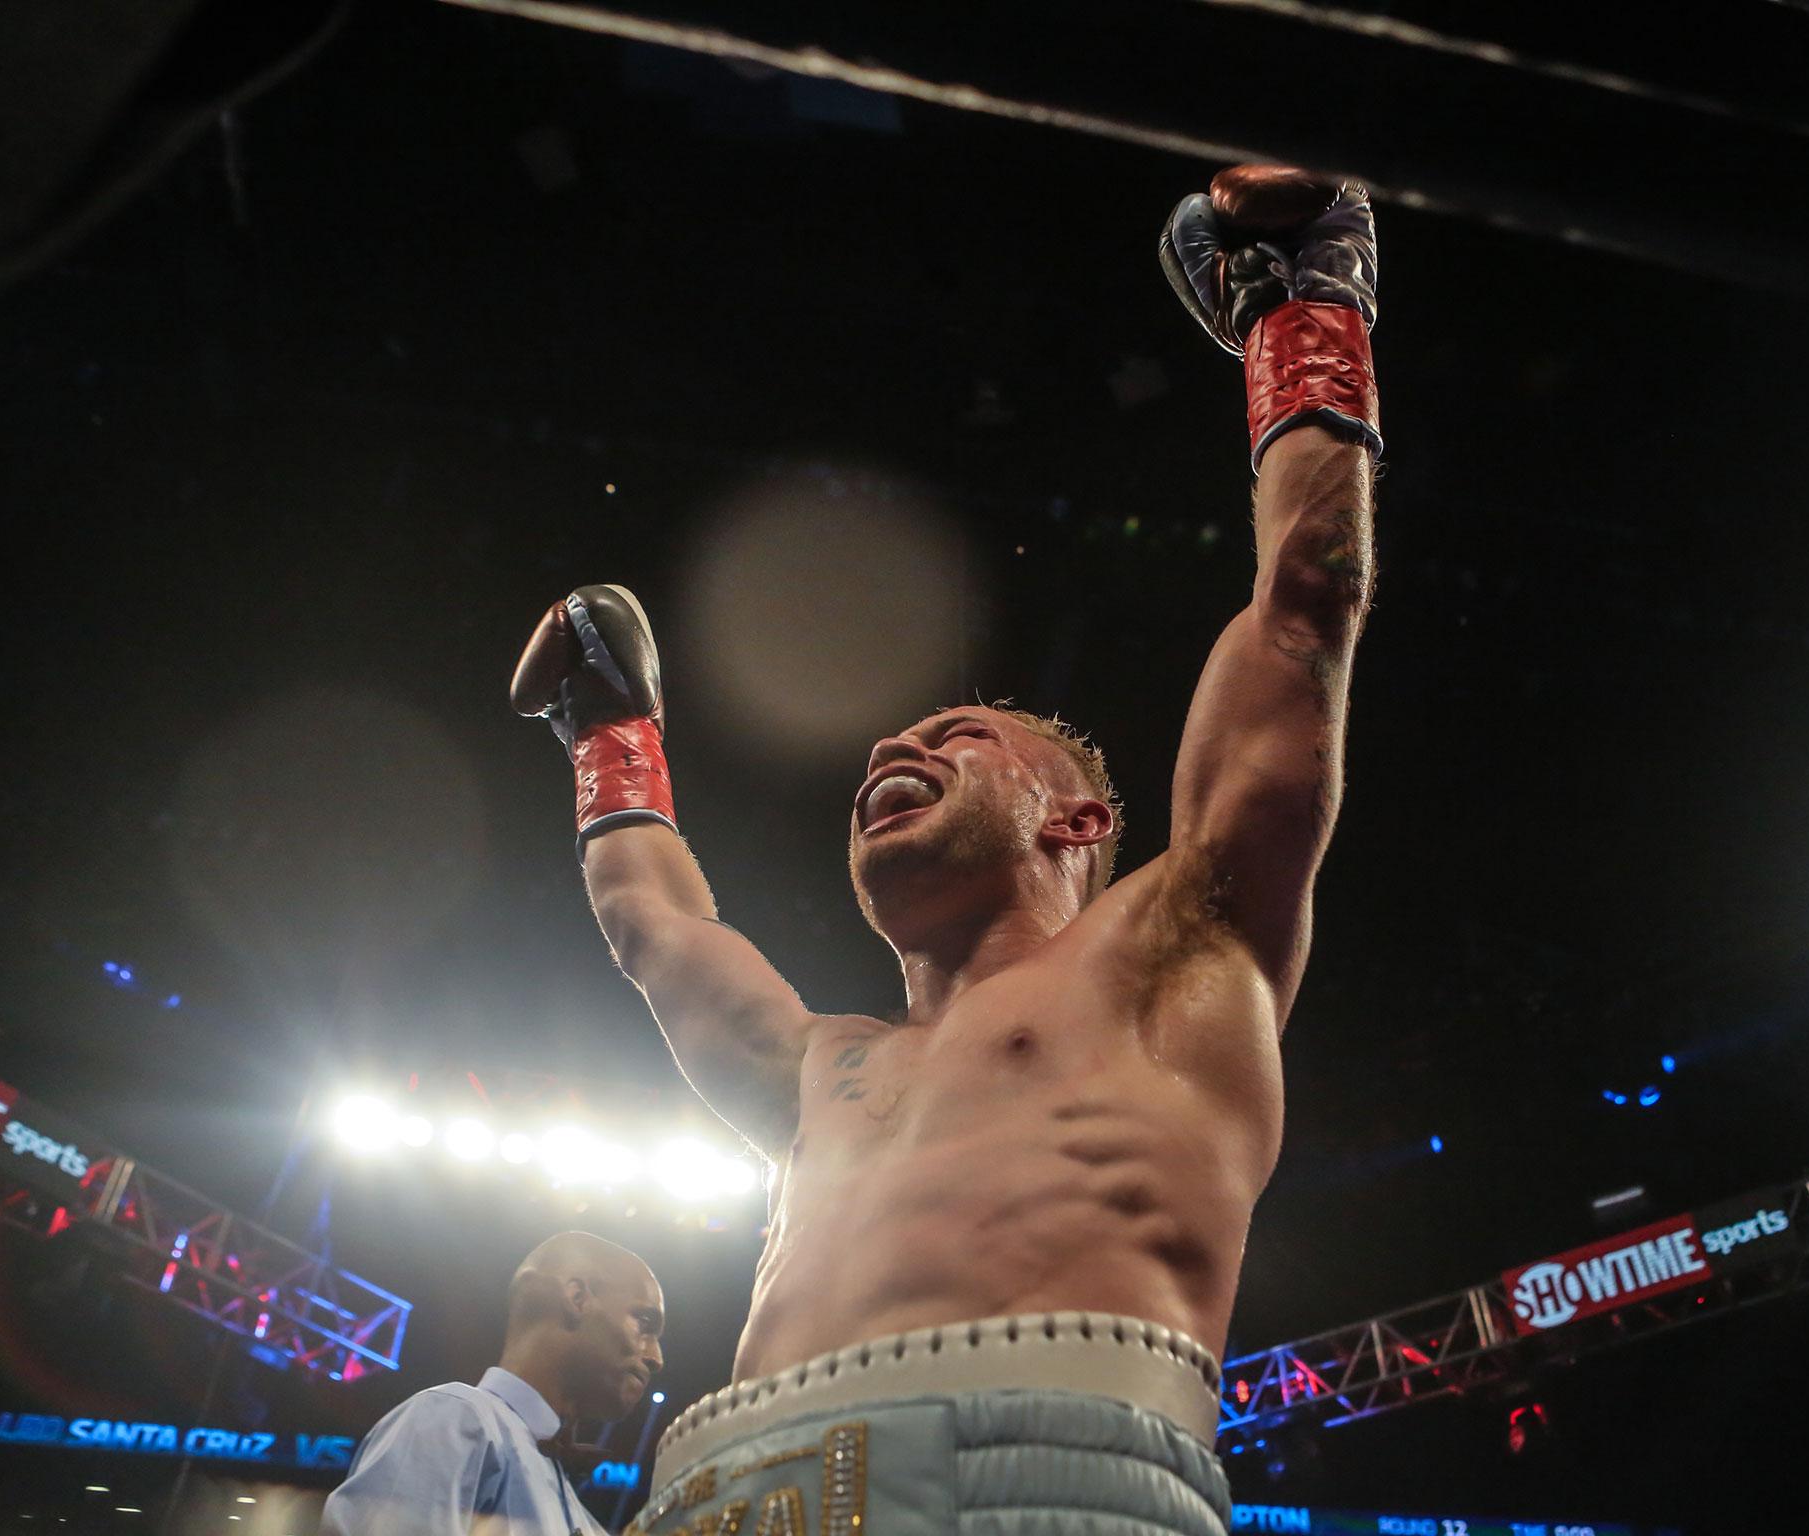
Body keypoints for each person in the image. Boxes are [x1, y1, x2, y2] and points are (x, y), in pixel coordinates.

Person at [510, 166, 1380, 1536]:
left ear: (1078, 821)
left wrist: (1308, 313)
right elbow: (653, 934)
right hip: (722, 1498)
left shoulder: (1177, 953)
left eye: (958, 734)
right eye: (877, 755)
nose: (886, 754)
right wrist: (607, 731)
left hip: (1043, 1470)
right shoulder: (821, 1071)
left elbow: (1305, 604)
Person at [321, 1232, 666, 1536]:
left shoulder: (580, 1515)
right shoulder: (454, 1419)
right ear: (577, 1298)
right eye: (645, 1322)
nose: (656, 1357)